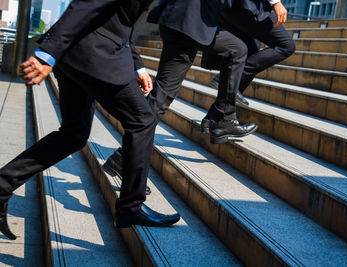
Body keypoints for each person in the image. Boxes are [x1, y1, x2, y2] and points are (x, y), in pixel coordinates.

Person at [0, 0, 180, 240]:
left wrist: (137, 65)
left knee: (73, 134)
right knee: (142, 121)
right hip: (95, 54)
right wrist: (46, 54)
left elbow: (117, 20)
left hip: (80, 52)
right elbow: (88, 3)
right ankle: (130, 208)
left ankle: (2, 184)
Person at [103, 0, 260, 181]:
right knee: (237, 50)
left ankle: (123, 158)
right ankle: (223, 118)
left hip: (178, 19)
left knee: (161, 94)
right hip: (188, 24)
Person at [205, 0, 296, 106]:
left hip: (230, 8)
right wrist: (276, 2)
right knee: (286, 45)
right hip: (246, 6)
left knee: (251, 54)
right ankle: (225, 79)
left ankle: (218, 118)